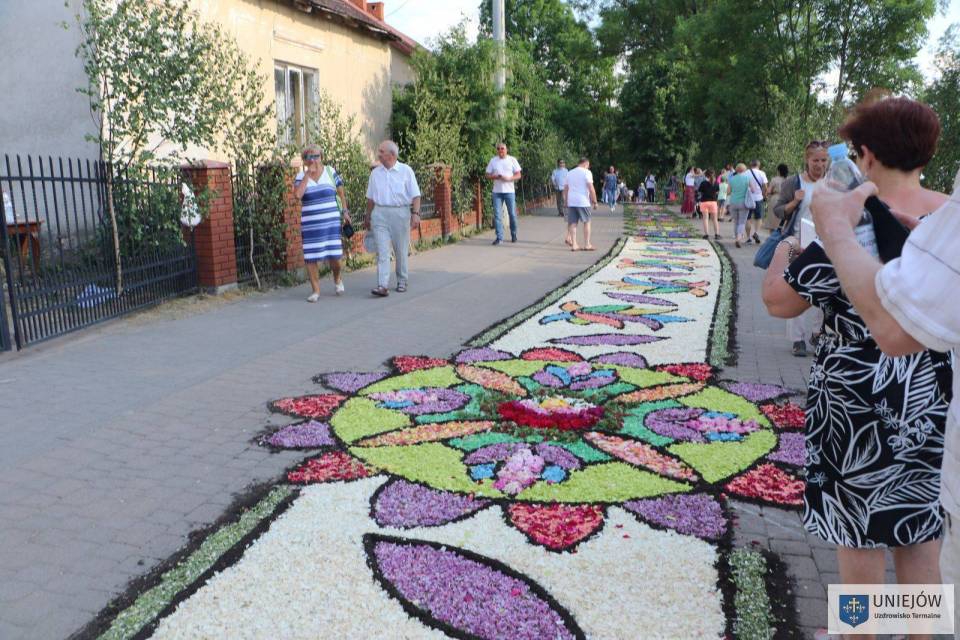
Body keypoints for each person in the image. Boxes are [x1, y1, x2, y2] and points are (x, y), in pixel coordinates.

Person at [764, 97, 952, 614]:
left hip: (855, 396)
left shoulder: (847, 221)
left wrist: (785, 252)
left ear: (866, 155)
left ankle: (861, 629)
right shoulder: (948, 219)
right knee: (920, 529)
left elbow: (780, 302)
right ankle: (919, 630)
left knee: (858, 531)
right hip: (930, 392)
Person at [772, 141, 829, 356]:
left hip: (825, 245)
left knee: (823, 292)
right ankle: (798, 339)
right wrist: (795, 202)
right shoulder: (794, 183)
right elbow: (779, 211)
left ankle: (817, 333)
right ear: (807, 160)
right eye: (815, 160)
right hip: (798, 245)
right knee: (797, 292)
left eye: (823, 160)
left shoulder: (832, 183)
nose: (819, 165)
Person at [294, 144, 351, 302]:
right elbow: (298, 195)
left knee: (335, 257)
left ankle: (337, 279)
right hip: (310, 226)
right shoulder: (300, 177)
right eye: (309, 157)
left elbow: (341, 193)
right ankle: (316, 291)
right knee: (311, 257)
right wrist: (307, 175)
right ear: (304, 160)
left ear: (322, 157)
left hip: (331, 224)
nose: (313, 159)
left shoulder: (330, 172)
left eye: (316, 156)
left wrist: (345, 212)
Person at [364, 140, 421, 297]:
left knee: (400, 250)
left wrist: (416, 214)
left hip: (400, 213)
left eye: (381, 152)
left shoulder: (406, 171)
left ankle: (402, 280)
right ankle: (382, 285)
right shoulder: (375, 173)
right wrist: (368, 216)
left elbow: (416, 195)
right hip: (379, 213)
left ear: (392, 155)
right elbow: (370, 198)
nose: (378, 154)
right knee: (382, 251)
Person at [485, 143, 523, 245]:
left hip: (509, 191)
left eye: (502, 148)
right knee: (497, 215)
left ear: (506, 150)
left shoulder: (512, 160)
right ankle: (499, 237)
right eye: (498, 149)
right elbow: (487, 175)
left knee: (512, 214)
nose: (500, 150)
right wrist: (495, 177)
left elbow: (518, 175)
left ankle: (514, 234)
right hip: (497, 192)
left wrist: (509, 178)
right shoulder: (493, 160)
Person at [564, 157, 598, 251]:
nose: (588, 167)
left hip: (571, 201)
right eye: (588, 165)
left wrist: (566, 201)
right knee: (587, 222)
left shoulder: (570, 172)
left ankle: (574, 244)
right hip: (583, 201)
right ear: (585, 163)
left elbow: (566, 188)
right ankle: (587, 244)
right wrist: (595, 201)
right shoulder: (587, 172)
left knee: (573, 223)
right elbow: (591, 188)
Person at [726, 163, 751, 247]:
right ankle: (739, 238)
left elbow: (728, 192)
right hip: (744, 203)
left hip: (733, 202)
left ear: (736, 170)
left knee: (736, 222)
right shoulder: (747, 178)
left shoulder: (731, 179)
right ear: (745, 170)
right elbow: (753, 190)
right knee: (742, 222)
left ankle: (736, 237)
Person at [744, 160, 768, 244]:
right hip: (758, 198)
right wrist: (764, 195)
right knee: (759, 217)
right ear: (759, 165)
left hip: (748, 198)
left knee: (747, 218)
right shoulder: (762, 173)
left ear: (750, 165)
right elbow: (765, 186)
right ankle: (756, 233)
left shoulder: (746, 173)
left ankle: (748, 238)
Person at [764, 163, 788, 230]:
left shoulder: (774, 179)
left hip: (775, 199)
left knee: (772, 220)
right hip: (785, 200)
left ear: (779, 171)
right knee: (782, 221)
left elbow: (768, 191)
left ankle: (772, 234)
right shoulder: (789, 180)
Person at [697, 169, 720, 239]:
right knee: (715, 219)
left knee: (705, 219)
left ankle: (706, 234)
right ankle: (717, 234)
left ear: (705, 175)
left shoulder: (703, 183)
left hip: (704, 202)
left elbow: (700, 191)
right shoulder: (716, 183)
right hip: (713, 202)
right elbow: (717, 192)